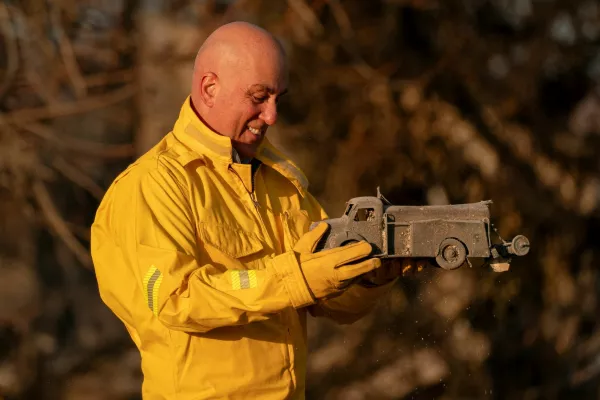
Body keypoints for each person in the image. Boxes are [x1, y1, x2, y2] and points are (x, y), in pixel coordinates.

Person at [91, 21, 423, 399]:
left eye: (278, 98)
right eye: (259, 97)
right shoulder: (153, 185)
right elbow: (175, 298)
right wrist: (293, 278)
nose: (271, 116)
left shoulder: (281, 181)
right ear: (209, 88)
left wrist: (371, 276)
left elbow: (328, 299)